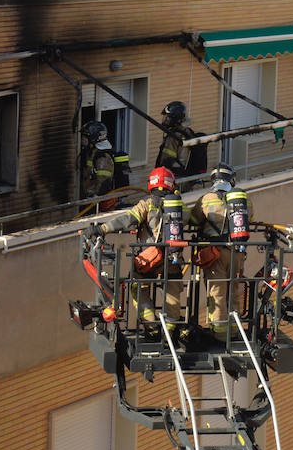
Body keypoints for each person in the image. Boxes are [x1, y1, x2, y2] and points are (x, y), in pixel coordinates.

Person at [85, 166, 185, 326]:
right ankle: (171, 329)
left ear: (151, 184)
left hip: (150, 260)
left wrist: (102, 229)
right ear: (171, 185)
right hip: (174, 259)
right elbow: (192, 220)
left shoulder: (148, 203)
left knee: (137, 286)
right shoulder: (179, 206)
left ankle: (150, 325)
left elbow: (128, 220)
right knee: (172, 290)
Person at [188, 163, 253, 340]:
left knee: (216, 293)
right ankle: (234, 331)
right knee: (233, 292)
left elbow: (194, 219)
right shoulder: (242, 199)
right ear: (231, 179)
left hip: (215, 252)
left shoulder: (206, 198)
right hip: (237, 252)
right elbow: (250, 217)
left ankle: (219, 335)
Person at [80, 120, 130, 210]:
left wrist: (93, 198)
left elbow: (103, 183)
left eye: (85, 137)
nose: (82, 140)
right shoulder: (93, 152)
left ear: (93, 138)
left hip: (98, 204)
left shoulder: (102, 158)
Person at [156, 100, 209, 178]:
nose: (165, 121)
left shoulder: (174, 136)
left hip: (175, 177)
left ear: (176, 118)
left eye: (168, 118)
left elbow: (166, 160)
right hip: (186, 177)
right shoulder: (187, 132)